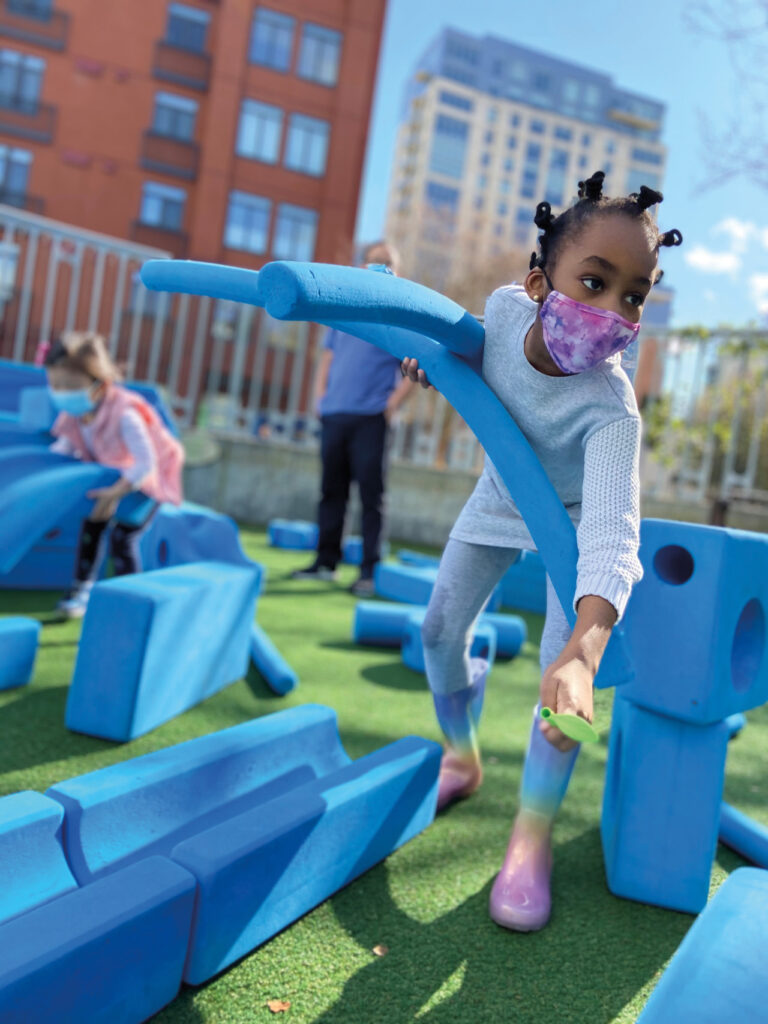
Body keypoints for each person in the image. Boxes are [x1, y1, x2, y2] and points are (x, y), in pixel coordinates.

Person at [401, 171, 682, 932]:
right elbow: (464, 356)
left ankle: (532, 835)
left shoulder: (612, 409)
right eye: (593, 281)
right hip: (502, 495)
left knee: (561, 699)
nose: (612, 312)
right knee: (437, 631)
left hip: (575, 524)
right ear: (537, 282)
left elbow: (616, 534)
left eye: (633, 295)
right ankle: (461, 756)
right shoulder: (498, 310)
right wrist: (433, 369)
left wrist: (586, 652)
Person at [292, 241, 414, 596]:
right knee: (331, 492)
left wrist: (392, 404)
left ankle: (368, 572)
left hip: (371, 419)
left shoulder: (395, 314)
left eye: (387, 263)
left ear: (397, 271)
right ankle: (325, 563)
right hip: (335, 414)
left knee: (372, 498)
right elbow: (328, 355)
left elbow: (414, 363)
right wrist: (320, 396)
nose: (379, 267)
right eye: (374, 261)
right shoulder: (344, 309)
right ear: (361, 265)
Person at [44, 331, 184, 618]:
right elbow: (67, 444)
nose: (61, 393)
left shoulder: (125, 414)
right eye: (55, 385)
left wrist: (118, 491)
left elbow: (147, 462)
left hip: (150, 475)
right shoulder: (75, 413)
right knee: (92, 526)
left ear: (99, 385)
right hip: (114, 472)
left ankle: (130, 600)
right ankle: (82, 589)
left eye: (69, 386)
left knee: (123, 537)